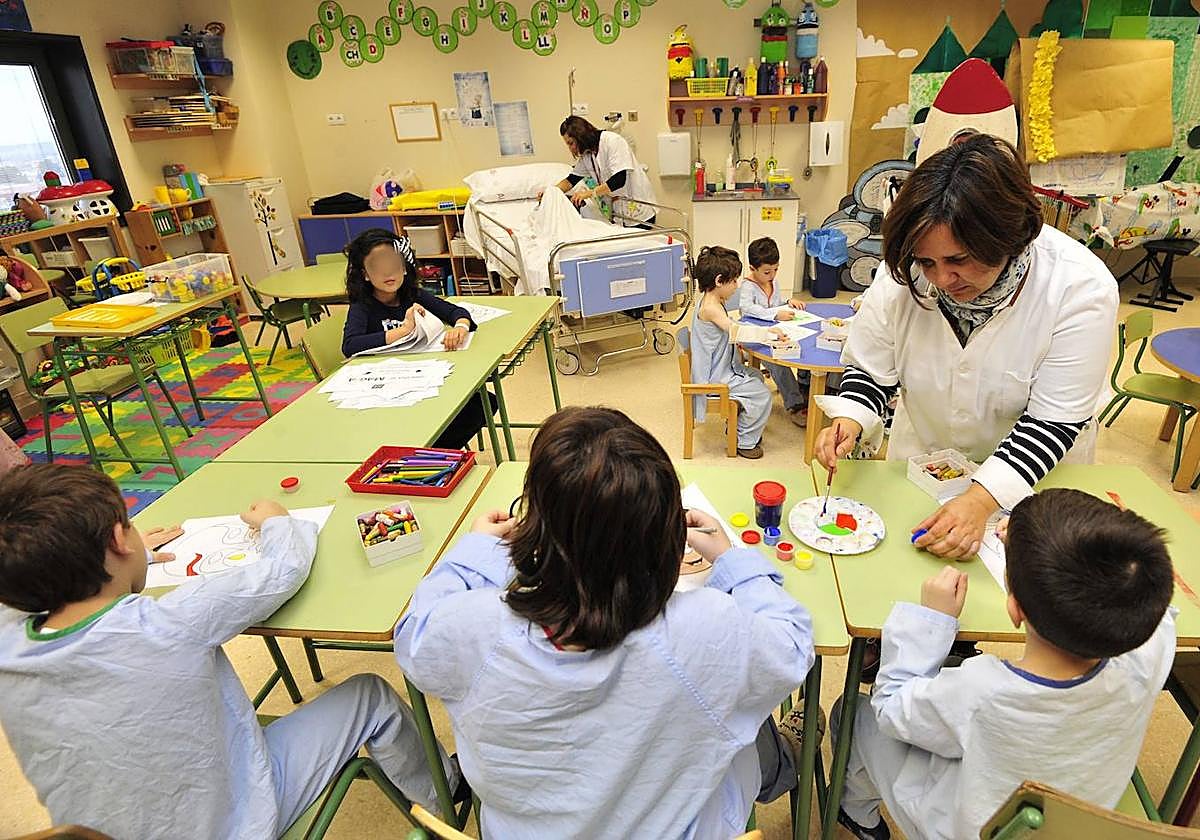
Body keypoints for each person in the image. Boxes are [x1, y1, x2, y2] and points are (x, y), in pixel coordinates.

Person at [394, 406, 815, 839]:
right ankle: (781, 759)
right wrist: (731, 559)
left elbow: (413, 635)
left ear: (534, 533)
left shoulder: (474, 628)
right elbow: (794, 645)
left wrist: (476, 554)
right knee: (741, 707)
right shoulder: (706, 628)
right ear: (664, 539)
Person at [0, 463, 464, 838]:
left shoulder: (7, 644)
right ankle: (447, 796)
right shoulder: (169, 622)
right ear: (120, 542)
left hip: (96, 832)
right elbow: (284, 570)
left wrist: (96, 557)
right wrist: (276, 522)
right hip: (236, 821)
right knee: (370, 695)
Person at [814, 134, 1118, 560]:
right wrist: (853, 420)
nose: (940, 280)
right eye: (927, 263)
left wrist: (980, 499)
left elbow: (1051, 423)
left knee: (1017, 598)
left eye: (959, 261)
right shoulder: (904, 270)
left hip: (1034, 478)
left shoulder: (1079, 288)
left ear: (1008, 240)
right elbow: (871, 370)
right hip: (925, 464)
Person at [833, 489, 1176, 840]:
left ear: (1015, 610)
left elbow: (892, 707)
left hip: (963, 827)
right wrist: (1114, 540)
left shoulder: (985, 691)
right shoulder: (1149, 654)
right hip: (1072, 811)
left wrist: (930, 620)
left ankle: (856, 811)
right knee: (947, 682)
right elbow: (1158, 606)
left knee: (853, 712)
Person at [341, 227, 496, 449]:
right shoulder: (362, 307)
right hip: (388, 387)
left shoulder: (413, 295)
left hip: (422, 377)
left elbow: (456, 313)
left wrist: (460, 328)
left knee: (485, 403)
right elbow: (350, 345)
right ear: (365, 274)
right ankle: (427, 454)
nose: (388, 273)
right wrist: (403, 330)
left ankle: (434, 452)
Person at [691, 245, 787, 459]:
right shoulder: (710, 308)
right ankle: (744, 441)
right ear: (718, 281)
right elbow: (735, 330)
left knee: (755, 377)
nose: (737, 285)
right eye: (733, 281)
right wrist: (768, 334)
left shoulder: (713, 300)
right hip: (714, 377)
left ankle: (740, 423)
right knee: (763, 396)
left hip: (719, 368)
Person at [739, 236, 809, 427]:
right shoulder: (747, 286)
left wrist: (787, 303)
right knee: (778, 362)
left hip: (774, 332)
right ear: (753, 268)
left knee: (802, 346)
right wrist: (776, 314)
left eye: (776, 270)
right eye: (767, 271)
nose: (772, 275)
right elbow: (748, 310)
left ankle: (804, 386)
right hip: (753, 337)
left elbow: (775, 303)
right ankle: (794, 404)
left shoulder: (773, 283)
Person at [543, 115, 658, 227]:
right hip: (620, 214)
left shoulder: (613, 141)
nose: (571, 148)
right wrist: (550, 192)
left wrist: (590, 193)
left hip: (639, 211)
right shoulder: (587, 155)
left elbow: (619, 180)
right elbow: (571, 180)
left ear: (580, 136)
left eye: (571, 143)